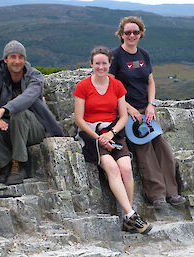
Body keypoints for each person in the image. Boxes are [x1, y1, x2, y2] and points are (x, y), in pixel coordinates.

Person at [73, 46, 152, 234]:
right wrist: (99, 137)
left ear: (110, 64)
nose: (101, 67)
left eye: (104, 63)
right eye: (97, 63)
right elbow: (79, 119)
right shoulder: (82, 86)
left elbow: (123, 116)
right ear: (91, 64)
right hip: (91, 134)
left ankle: (128, 218)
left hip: (113, 131)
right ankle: (131, 214)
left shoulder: (117, 86)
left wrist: (111, 133)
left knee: (126, 167)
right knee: (113, 168)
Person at [109, 16, 186, 208]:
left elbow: (150, 82)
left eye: (135, 32)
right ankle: (157, 195)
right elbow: (110, 86)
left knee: (162, 146)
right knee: (144, 148)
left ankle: (172, 192)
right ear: (121, 34)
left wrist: (151, 104)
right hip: (127, 111)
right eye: (128, 32)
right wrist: (128, 108)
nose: (132, 35)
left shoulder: (143, 54)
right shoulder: (116, 56)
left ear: (141, 34)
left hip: (147, 109)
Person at [0, 40, 63, 186]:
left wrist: (2, 111)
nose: (17, 61)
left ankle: (20, 163)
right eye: (13, 57)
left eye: (20, 57)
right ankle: (5, 164)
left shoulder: (35, 76)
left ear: (24, 59)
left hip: (34, 129)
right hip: (10, 129)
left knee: (19, 113)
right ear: (5, 60)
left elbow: (28, 97)